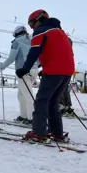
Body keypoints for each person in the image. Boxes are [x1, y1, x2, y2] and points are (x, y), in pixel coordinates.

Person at [15, 9, 75, 142]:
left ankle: (38, 132)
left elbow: (34, 52)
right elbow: (58, 52)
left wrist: (25, 68)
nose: (31, 27)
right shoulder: (60, 32)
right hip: (67, 71)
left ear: (40, 20)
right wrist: (44, 67)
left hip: (54, 71)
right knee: (53, 101)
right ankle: (57, 133)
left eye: (32, 23)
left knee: (42, 100)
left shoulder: (41, 31)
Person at [0, 25, 38, 124]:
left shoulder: (17, 42)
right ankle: (23, 115)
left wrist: (2, 66)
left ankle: (33, 118)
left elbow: (12, 58)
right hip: (34, 70)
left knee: (27, 94)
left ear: (16, 33)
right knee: (21, 94)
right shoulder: (33, 40)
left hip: (22, 71)